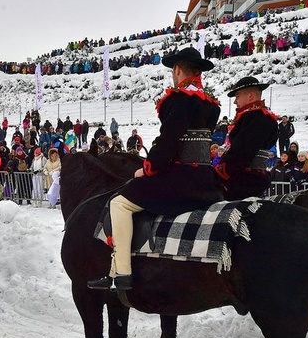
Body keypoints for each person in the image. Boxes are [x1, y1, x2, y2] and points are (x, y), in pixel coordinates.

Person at [88, 47, 221, 291]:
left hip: (181, 181)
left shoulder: (180, 100)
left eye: (173, 70)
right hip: (205, 180)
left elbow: (168, 143)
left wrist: (147, 169)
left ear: (177, 70)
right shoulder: (211, 105)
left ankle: (122, 273)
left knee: (119, 203)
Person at [214, 76, 278, 200]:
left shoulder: (256, 117)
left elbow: (241, 150)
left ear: (250, 96)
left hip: (245, 180)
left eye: (237, 96)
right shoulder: (261, 117)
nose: (235, 101)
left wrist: (221, 171)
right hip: (251, 178)